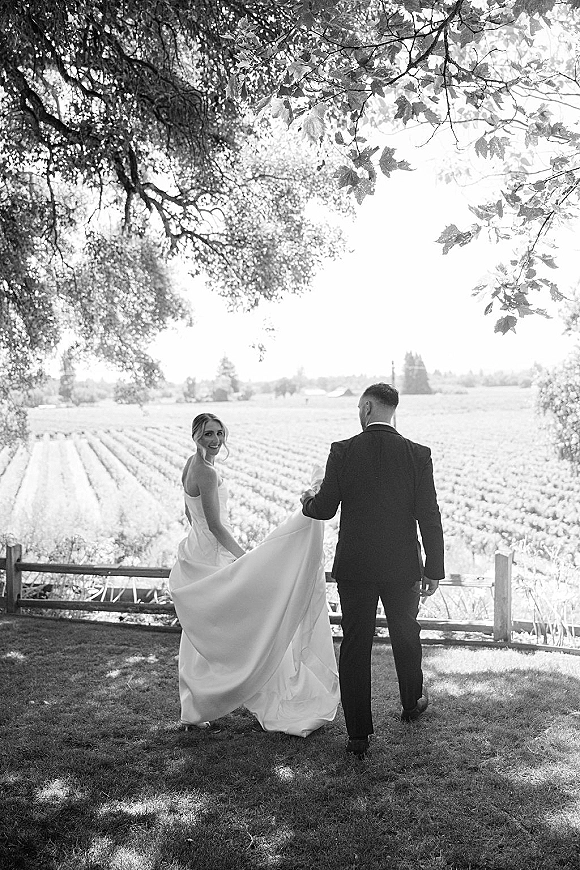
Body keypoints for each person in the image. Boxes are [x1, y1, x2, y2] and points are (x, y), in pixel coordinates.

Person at [169, 412, 339, 737]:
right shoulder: (204, 472)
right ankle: (232, 688)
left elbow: (190, 516)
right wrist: (244, 559)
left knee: (201, 630)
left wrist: (205, 542)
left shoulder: (192, 465)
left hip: (198, 550)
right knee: (224, 626)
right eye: (208, 434)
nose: (216, 440)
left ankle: (195, 705)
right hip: (211, 556)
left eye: (219, 433)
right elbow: (216, 525)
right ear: (195, 436)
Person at [301, 383, 444, 759]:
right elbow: (429, 514)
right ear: (391, 410)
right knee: (406, 633)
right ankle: (412, 703)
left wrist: (307, 500)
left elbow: (325, 508)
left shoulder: (343, 450)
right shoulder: (417, 454)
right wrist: (434, 568)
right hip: (402, 566)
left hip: (356, 565)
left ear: (366, 407)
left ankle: (358, 735)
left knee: (356, 643)